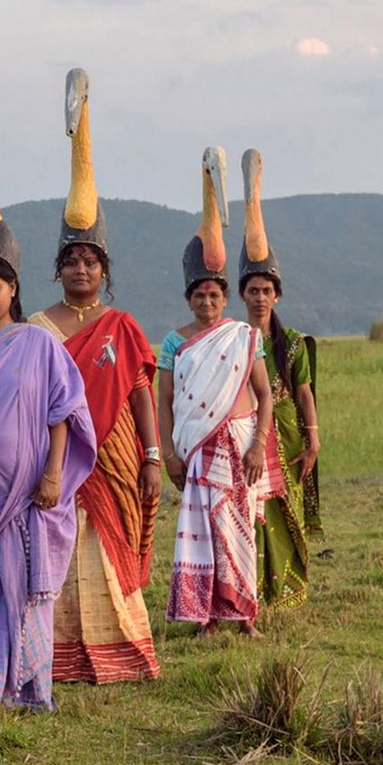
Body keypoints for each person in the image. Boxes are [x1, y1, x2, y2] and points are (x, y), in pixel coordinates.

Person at [0, 108, 96, 712]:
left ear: (14, 290)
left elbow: (63, 411)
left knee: (25, 588)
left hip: (30, 495)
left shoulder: (38, 342)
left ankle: (26, 682)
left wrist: (54, 473)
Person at [27, 68, 161, 685]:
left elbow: (138, 393)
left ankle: (122, 653)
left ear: (104, 271)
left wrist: (154, 456)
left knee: (108, 548)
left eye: (91, 260)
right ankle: (56, 657)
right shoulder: (37, 326)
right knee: (58, 548)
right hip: (56, 461)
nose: (81, 268)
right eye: (71, 260)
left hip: (115, 457)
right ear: (58, 270)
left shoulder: (123, 325)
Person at [158, 149, 275, 636]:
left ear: (225, 299)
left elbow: (264, 394)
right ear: (189, 298)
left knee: (241, 525)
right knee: (205, 531)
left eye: (214, 295)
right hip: (199, 450)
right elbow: (164, 401)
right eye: (199, 295)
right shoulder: (173, 342)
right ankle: (206, 616)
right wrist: (167, 451)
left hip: (241, 443)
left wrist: (257, 445)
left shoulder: (244, 338)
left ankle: (245, 613)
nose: (206, 302)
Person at [238, 149, 322, 612]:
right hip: (247, 433)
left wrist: (312, 440)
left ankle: (288, 589)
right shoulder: (231, 340)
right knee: (252, 511)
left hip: (287, 435)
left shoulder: (291, 344)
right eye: (252, 290)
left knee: (284, 508)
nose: (259, 297)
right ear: (242, 294)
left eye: (266, 290)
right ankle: (253, 590)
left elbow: (304, 393)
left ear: (276, 294)